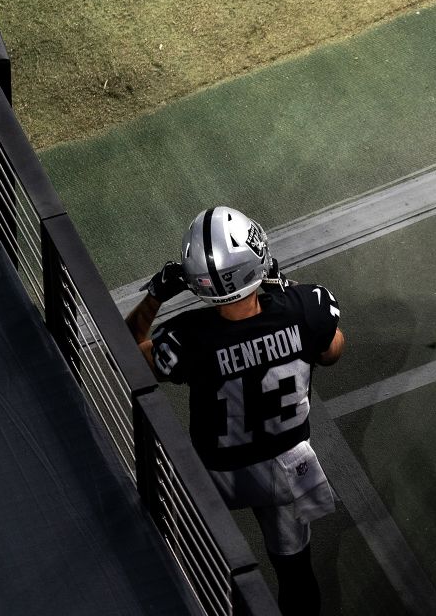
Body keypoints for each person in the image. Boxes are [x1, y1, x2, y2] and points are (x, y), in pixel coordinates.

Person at [125, 206, 345, 616]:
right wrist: (281, 287)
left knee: (195, 566)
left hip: (216, 476)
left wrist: (156, 294)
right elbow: (332, 351)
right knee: (296, 572)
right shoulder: (305, 304)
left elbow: (128, 353)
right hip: (288, 468)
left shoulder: (190, 336)